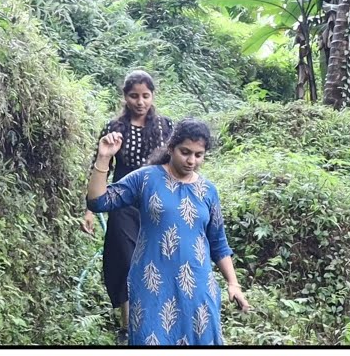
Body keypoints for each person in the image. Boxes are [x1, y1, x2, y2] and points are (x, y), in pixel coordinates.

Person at [87, 119, 251, 346]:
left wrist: (233, 283)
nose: (191, 160)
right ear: (171, 146)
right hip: (152, 285)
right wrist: (104, 157)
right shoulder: (145, 178)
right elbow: (98, 202)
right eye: (185, 152)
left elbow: (218, 243)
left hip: (198, 287)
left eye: (198, 154)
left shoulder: (208, 191)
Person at [80, 70, 173, 345]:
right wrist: (90, 209)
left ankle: (159, 320)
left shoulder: (166, 127)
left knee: (158, 260)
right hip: (121, 203)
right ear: (125, 96)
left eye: (145, 96)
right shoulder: (114, 128)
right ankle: (128, 327)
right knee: (124, 260)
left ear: (153, 96)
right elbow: (101, 167)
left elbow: (178, 166)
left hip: (157, 204)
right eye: (134, 96)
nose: (140, 101)